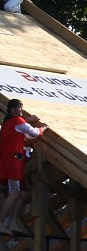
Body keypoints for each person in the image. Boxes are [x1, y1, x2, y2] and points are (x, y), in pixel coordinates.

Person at [0, 99, 46, 235]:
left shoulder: (8, 122)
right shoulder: (17, 121)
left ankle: (12, 222)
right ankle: (1, 223)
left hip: (14, 161)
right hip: (12, 161)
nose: (21, 110)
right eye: (20, 108)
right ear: (14, 109)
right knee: (14, 193)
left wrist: (28, 120)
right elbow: (33, 133)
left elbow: (23, 130)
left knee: (22, 193)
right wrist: (43, 127)